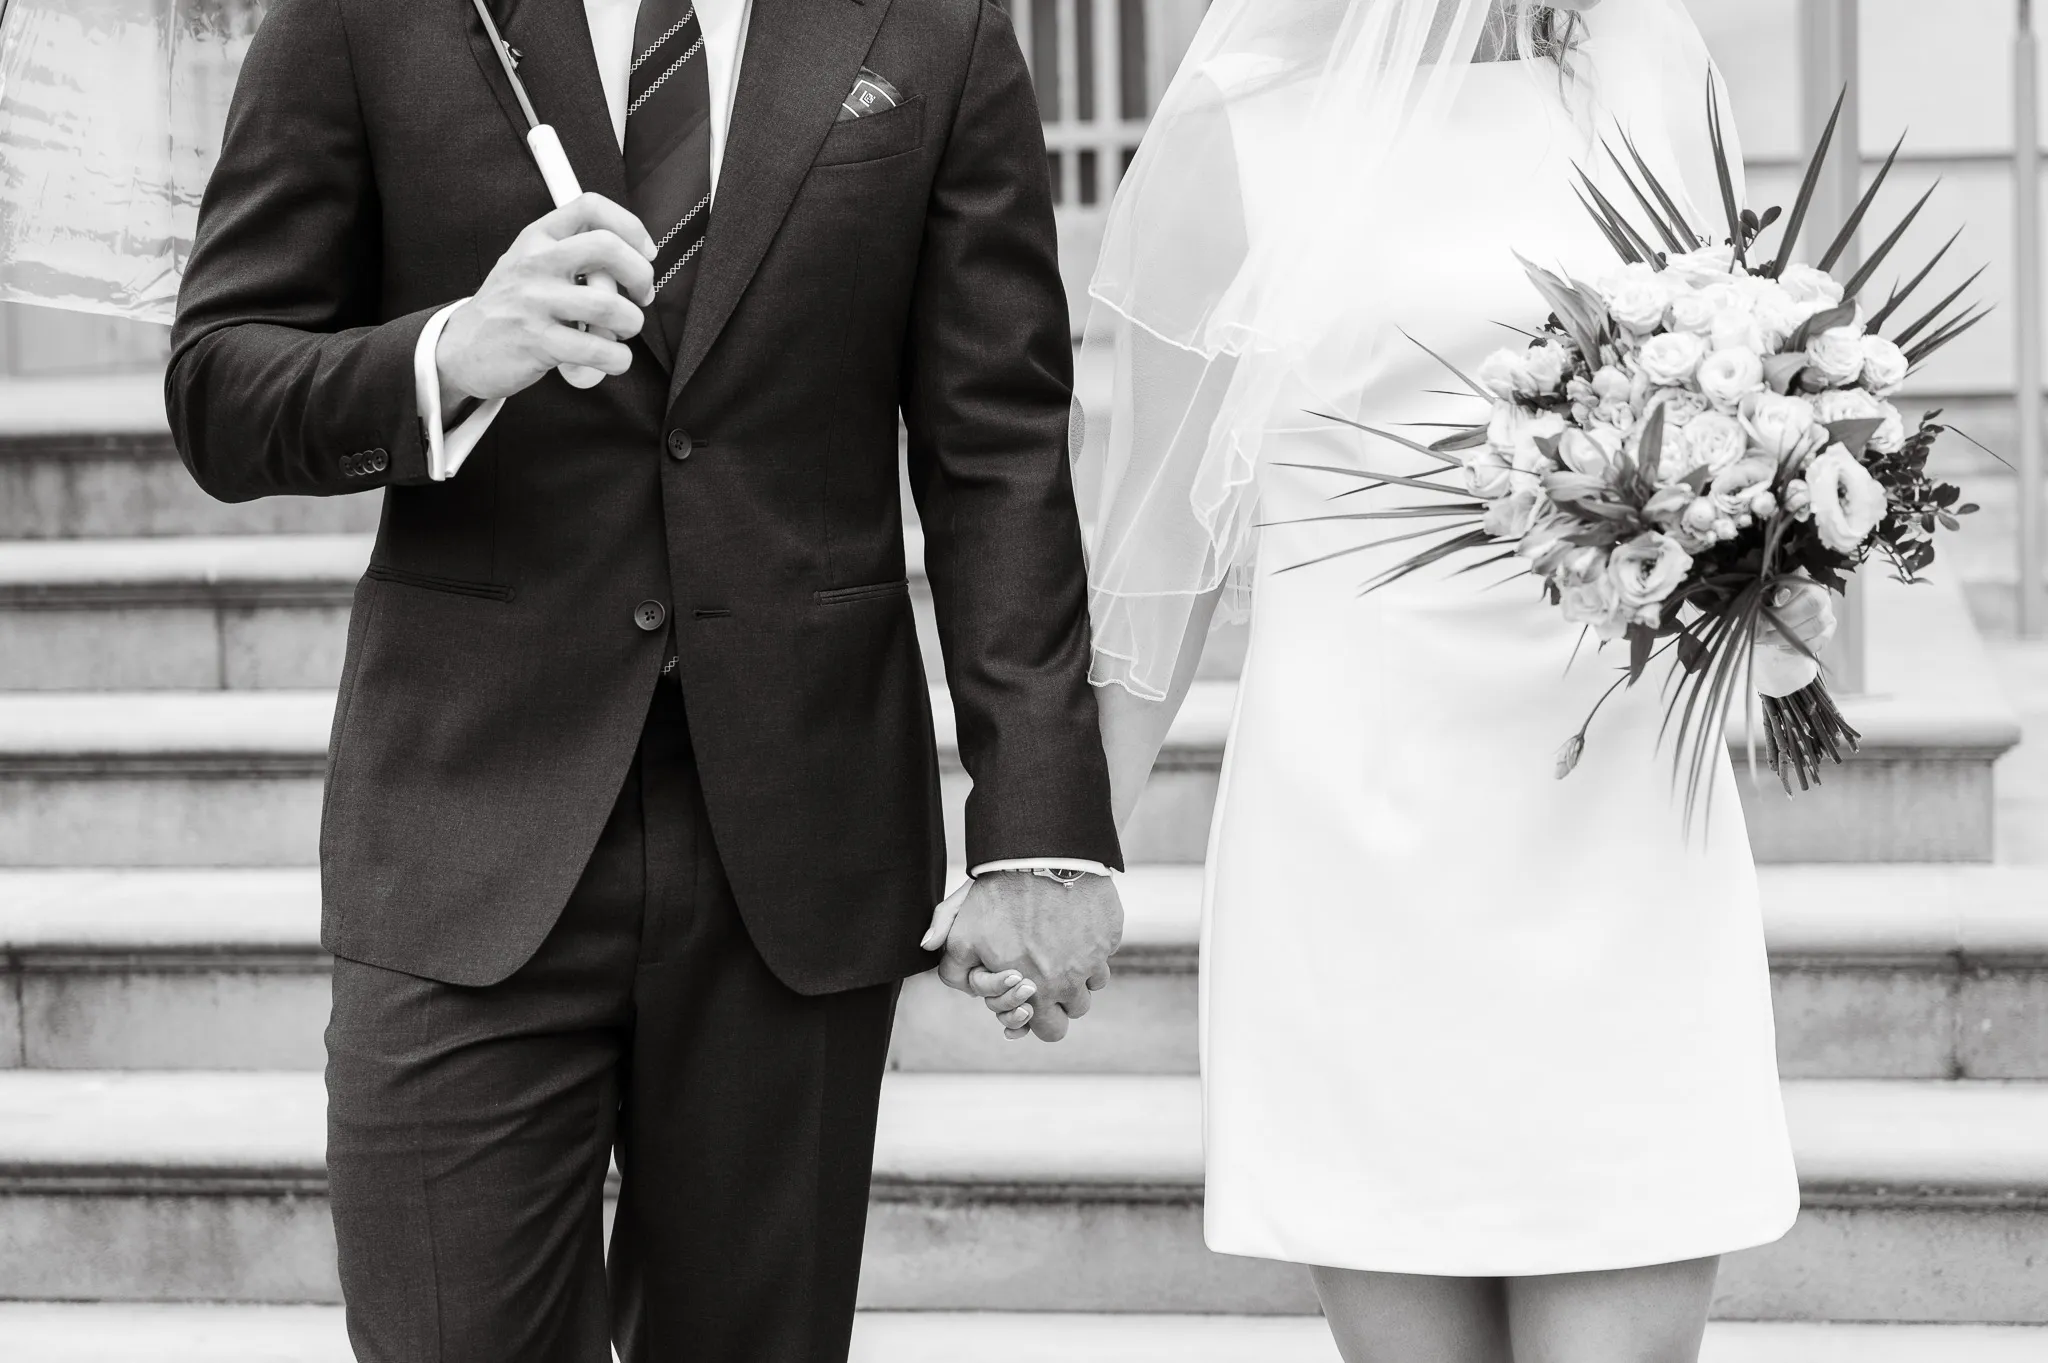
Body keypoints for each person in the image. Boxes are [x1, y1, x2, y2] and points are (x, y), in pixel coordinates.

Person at [165, 0, 1123, 1358]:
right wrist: (456, 352)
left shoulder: (934, 23)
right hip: (466, 820)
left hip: (797, 840)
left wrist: (1039, 826)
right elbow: (219, 383)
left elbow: (999, 447)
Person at [1071, 2, 1830, 1359]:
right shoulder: (1229, 135)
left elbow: (1739, 380)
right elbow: (1157, 559)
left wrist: (1784, 541)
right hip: (1363, 825)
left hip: (1618, 822)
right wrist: (1060, 844)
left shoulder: (1657, 71)